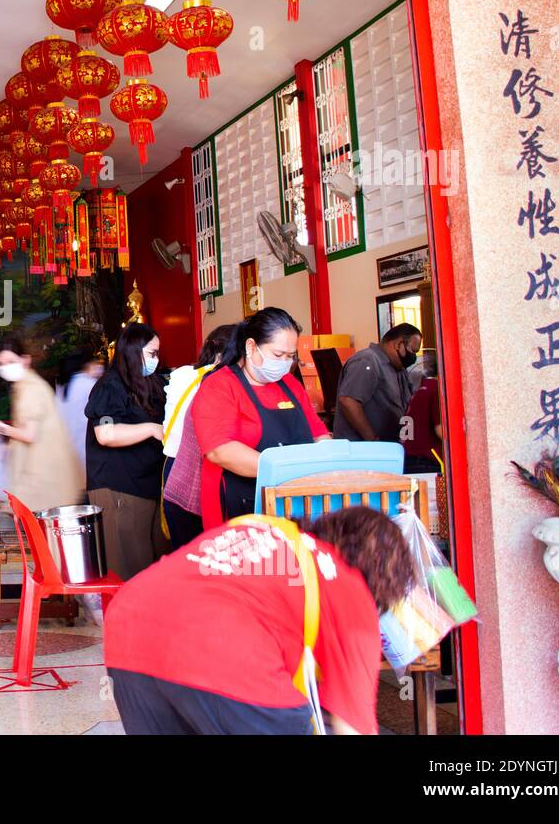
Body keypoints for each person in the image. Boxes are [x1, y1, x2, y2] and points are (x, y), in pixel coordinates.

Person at [104, 507, 416, 735]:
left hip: (129, 628)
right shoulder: (351, 588)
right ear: (384, 576)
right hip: (219, 649)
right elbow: (353, 730)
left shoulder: (266, 531)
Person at [191, 308, 330, 529]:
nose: (285, 362)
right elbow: (220, 450)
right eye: (278, 355)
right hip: (239, 506)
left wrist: (331, 459)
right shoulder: (219, 386)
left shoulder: (290, 385)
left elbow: (319, 433)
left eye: (290, 356)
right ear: (251, 346)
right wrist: (289, 469)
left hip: (296, 502)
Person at [84, 322, 167, 580]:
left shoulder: (147, 383)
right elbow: (106, 434)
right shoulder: (111, 386)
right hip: (119, 487)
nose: (155, 359)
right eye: (151, 353)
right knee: (129, 566)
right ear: (133, 351)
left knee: (150, 562)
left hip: (147, 485)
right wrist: (152, 429)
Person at [0, 335, 85, 512]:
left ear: (25, 360)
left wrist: (0, 427)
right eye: (0, 364)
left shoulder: (31, 388)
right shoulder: (24, 385)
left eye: (10, 361)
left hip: (44, 472)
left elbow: (29, 434)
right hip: (40, 470)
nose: (5, 368)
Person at [160, 324, 236, 548]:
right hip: (197, 467)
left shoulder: (181, 374)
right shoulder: (218, 380)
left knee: (185, 546)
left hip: (172, 465)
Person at [332, 323, 422, 444]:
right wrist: (373, 440)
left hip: (392, 447)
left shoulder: (399, 368)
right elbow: (348, 400)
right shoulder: (367, 360)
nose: (413, 357)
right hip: (364, 451)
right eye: (413, 350)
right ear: (398, 344)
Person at [57, 350, 105, 471]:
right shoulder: (88, 384)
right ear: (85, 366)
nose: (98, 367)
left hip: (71, 443)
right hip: (89, 440)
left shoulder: (63, 387)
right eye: (94, 364)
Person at [401, 350, 444, 474]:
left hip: (409, 456)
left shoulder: (418, 390)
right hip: (428, 460)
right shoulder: (436, 389)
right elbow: (440, 430)